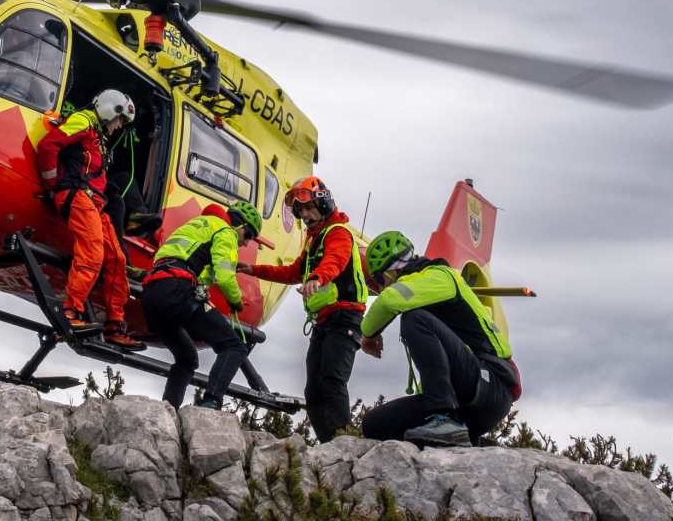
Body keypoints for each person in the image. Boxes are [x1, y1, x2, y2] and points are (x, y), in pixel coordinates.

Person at [357, 231, 522, 446]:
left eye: (377, 281)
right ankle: (472, 443)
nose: (378, 289)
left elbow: (389, 300)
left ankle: (444, 421)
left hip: (492, 383)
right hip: (464, 401)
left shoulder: (442, 276)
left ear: (389, 273)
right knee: (374, 425)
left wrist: (368, 336)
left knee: (414, 318)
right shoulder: (423, 292)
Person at [237, 176, 367, 442]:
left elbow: (337, 259)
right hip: (325, 320)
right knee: (313, 391)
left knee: (332, 380)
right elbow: (293, 271)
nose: (305, 215)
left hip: (346, 318)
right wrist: (253, 269)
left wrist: (319, 277)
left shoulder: (338, 233)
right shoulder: (314, 240)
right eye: (300, 212)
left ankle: (345, 442)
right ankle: (328, 442)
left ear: (324, 203)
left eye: (308, 209)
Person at [35, 89, 144, 350]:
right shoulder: (83, 121)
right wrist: (53, 184)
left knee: (116, 259)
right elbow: (48, 146)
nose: (119, 127)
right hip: (78, 195)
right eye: (119, 121)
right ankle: (71, 313)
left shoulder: (98, 136)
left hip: (95, 202)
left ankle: (114, 325)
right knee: (92, 254)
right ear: (110, 110)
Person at [141, 201, 261, 409]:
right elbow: (224, 275)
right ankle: (211, 402)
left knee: (187, 358)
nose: (245, 244)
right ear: (240, 226)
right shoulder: (226, 232)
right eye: (248, 236)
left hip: (153, 294)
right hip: (177, 289)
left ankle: (168, 410)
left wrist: (203, 287)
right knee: (234, 346)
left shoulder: (199, 224)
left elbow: (206, 271)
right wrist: (235, 301)